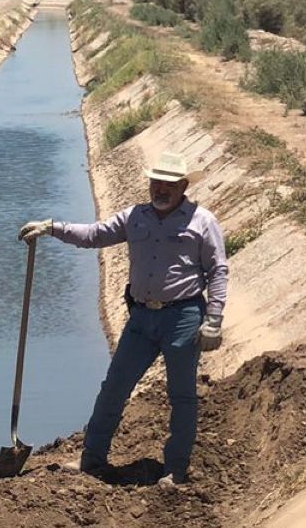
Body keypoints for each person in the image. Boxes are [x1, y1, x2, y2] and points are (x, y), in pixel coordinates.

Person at [20, 151, 228, 489]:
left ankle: (175, 470)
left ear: (183, 186)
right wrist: (52, 228)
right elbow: (95, 235)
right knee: (114, 388)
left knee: (182, 395)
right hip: (142, 317)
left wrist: (215, 317)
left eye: (168, 184)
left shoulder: (202, 221)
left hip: (184, 316)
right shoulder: (136, 217)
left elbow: (218, 270)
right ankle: (92, 459)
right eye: (155, 182)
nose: (160, 189)